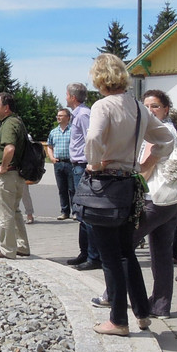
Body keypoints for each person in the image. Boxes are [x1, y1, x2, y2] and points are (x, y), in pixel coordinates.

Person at [86, 55, 175, 337]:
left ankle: (118, 320)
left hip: (105, 185)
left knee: (110, 256)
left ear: (99, 78)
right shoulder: (138, 107)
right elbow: (167, 138)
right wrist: (148, 161)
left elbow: (93, 138)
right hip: (129, 183)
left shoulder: (103, 105)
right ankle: (142, 312)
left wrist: (94, 163)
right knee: (126, 251)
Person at [0, 92, 30, 260]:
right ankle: (22, 246)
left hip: (8, 175)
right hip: (17, 174)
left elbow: (9, 148)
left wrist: (3, 167)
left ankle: (8, 249)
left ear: (6, 108)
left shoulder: (9, 123)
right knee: (14, 211)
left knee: (5, 212)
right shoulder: (17, 121)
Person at [65, 83, 101, 271]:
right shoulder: (77, 114)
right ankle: (84, 252)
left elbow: (91, 139)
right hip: (77, 166)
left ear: (72, 97)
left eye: (67, 94)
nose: (65, 97)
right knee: (80, 212)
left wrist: (90, 163)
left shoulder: (84, 114)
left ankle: (94, 256)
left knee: (86, 212)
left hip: (83, 166)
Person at [46, 108, 74, 220]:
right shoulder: (53, 132)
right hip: (58, 163)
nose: (58, 117)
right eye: (57, 115)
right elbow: (49, 146)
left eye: (61, 115)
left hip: (70, 163)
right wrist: (52, 158)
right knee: (62, 189)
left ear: (68, 118)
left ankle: (75, 212)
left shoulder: (73, 130)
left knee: (72, 189)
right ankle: (64, 212)